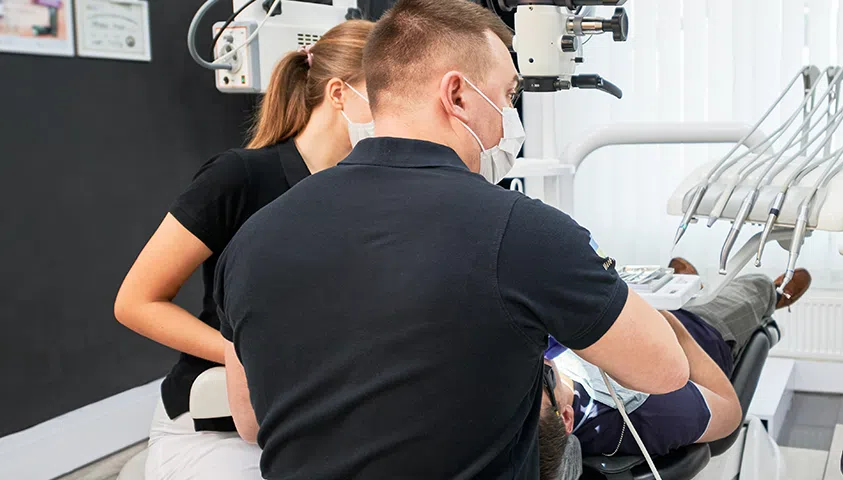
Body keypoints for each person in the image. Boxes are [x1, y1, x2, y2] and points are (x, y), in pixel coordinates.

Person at [213, 1, 690, 478]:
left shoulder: (252, 239)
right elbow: (664, 369)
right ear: (457, 95)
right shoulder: (521, 231)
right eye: (508, 95)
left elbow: (251, 421)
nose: (509, 117)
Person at [112, 20, 375, 480]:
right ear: (339, 94)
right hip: (215, 425)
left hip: (318, 419)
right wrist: (242, 354)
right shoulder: (239, 178)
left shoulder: (368, 192)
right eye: (388, 97)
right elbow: (136, 302)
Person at [537, 260, 812, 479]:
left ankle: (689, 285)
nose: (531, 368)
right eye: (542, 379)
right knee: (752, 286)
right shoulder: (646, 411)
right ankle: (774, 297)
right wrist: (669, 323)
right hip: (702, 330)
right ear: (566, 418)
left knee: (669, 282)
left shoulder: (532, 379)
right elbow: (730, 412)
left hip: (644, 317)